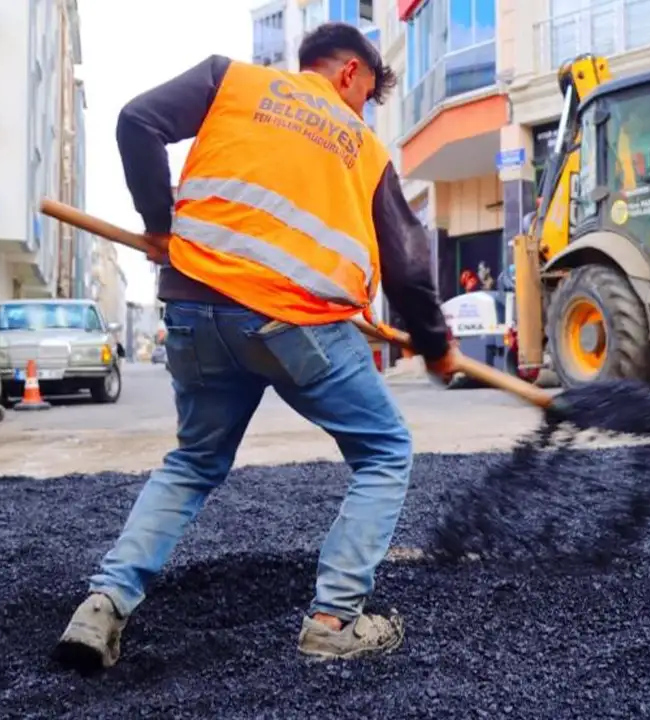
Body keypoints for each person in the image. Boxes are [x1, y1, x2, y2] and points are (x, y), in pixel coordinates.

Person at [52, 23, 459, 671]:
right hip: (298, 322)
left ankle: (102, 606)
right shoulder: (361, 144)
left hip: (195, 304)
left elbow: (137, 121)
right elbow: (409, 267)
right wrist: (436, 346)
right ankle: (333, 622)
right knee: (384, 451)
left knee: (192, 462)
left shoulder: (231, 80)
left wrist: (160, 225)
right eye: (365, 95)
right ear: (349, 74)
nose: (362, 110)